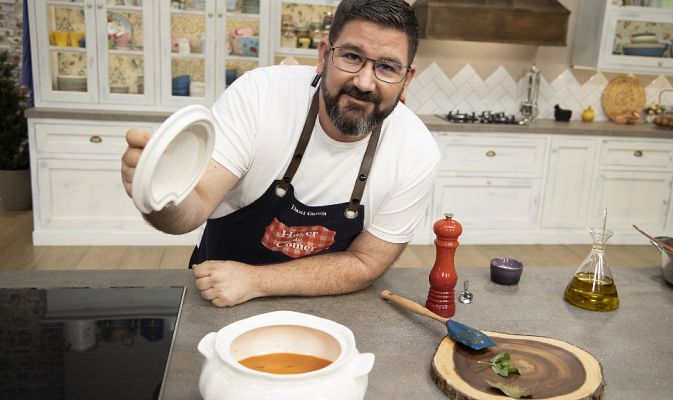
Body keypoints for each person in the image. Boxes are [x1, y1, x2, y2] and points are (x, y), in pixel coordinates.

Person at [121, 0, 440, 307]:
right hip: (218, 297)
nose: (365, 82)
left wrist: (255, 281)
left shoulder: (416, 150)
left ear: (406, 79)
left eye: (387, 67)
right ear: (324, 55)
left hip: (330, 308)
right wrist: (158, 191)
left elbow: (365, 263)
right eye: (352, 56)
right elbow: (194, 207)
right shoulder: (261, 95)